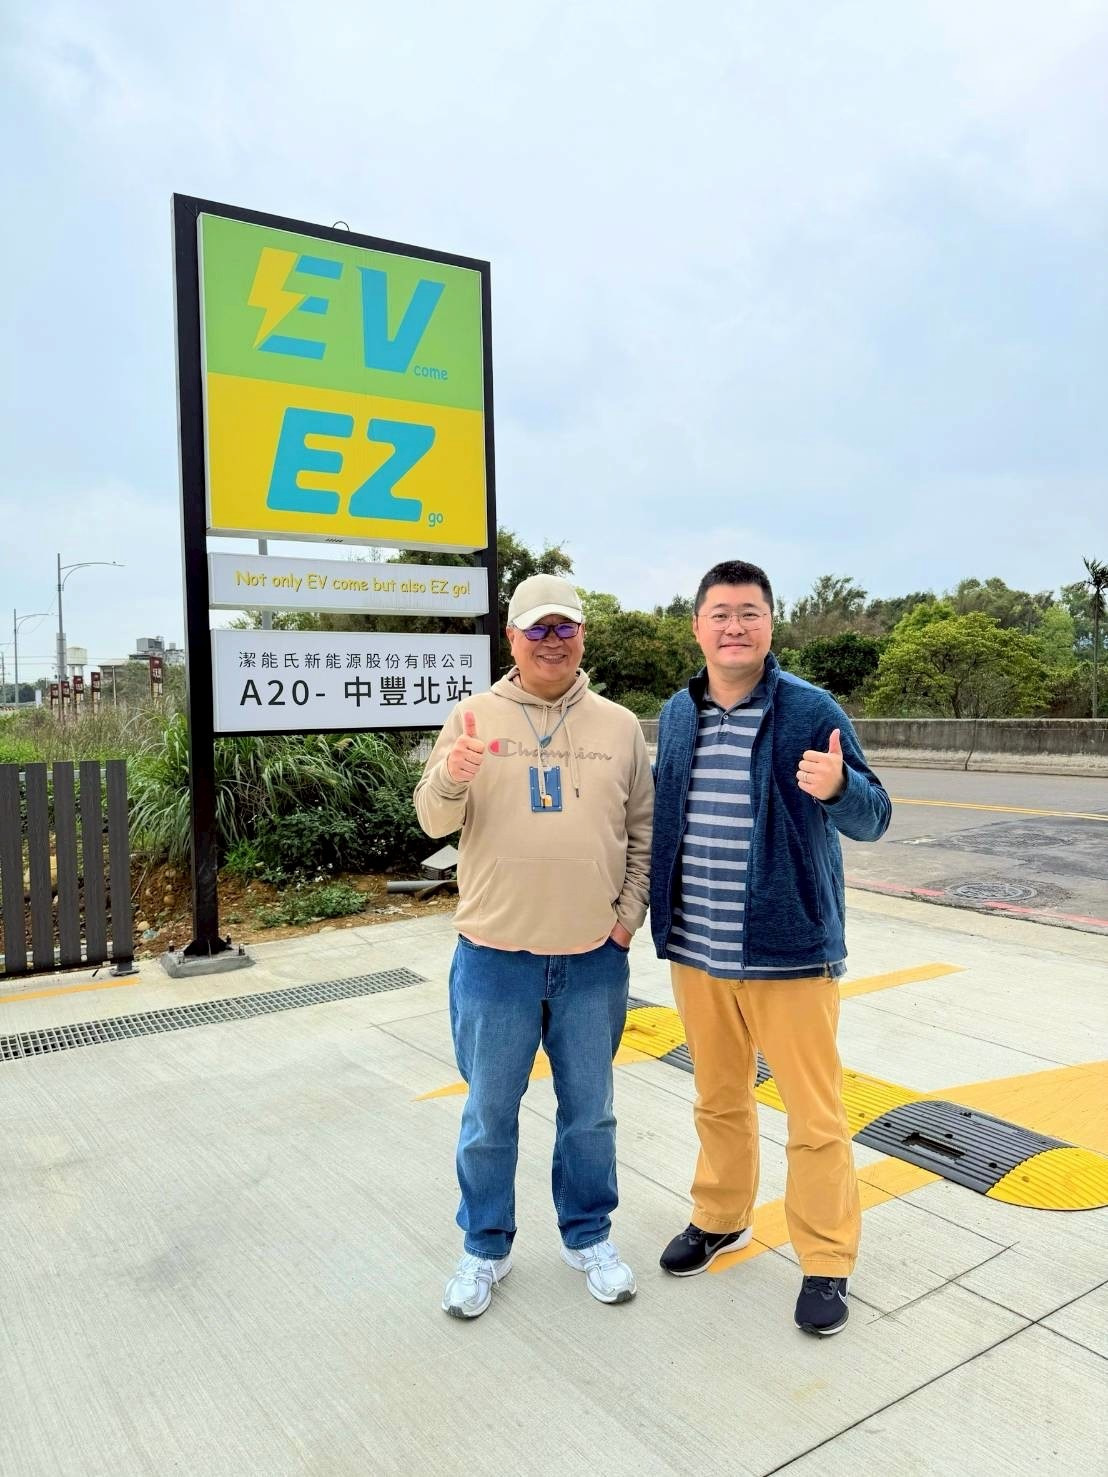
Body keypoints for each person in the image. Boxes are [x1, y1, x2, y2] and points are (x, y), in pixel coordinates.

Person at [650, 559, 890, 1336]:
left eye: (749, 612)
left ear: (770, 623)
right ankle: (721, 1216)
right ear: (697, 626)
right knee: (717, 1098)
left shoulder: (810, 708)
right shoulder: (678, 713)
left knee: (815, 1116)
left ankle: (826, 1258)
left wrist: (839, 788)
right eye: (720, 613)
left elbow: (876, 814)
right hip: (697, 949)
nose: (735, 627)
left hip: (788, 953)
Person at [415, 573, 654, 1319]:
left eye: (565, 628)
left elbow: (644, 831)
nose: (553, 641)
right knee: (489, 1114)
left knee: (591, 1113)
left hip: (592, 958)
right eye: (537, 629)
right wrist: (452, 776)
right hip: (494, 955)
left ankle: (589, 1235)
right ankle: (484, 1245)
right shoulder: (473, 715)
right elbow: (431, 821)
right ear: (511, 638)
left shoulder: (619, 725)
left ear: (582, 635)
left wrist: (625, 920)